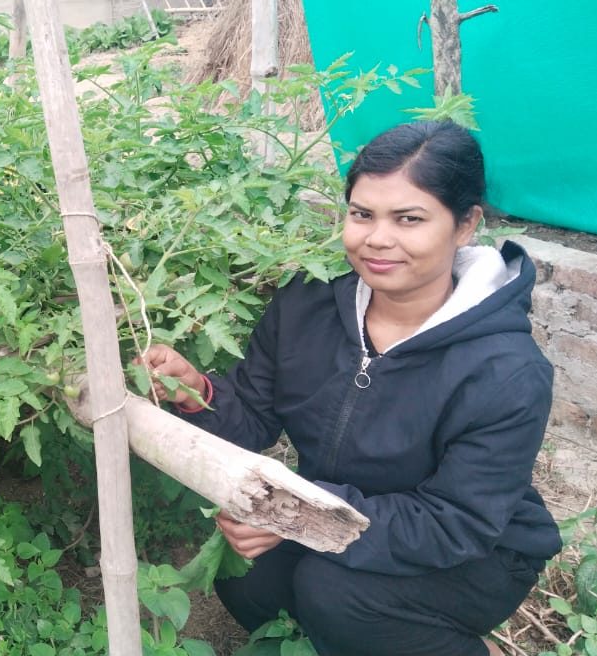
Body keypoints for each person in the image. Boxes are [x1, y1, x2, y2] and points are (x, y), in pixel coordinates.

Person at [138, 120, 561, 656]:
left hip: (475, 552)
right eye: (362, 214)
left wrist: (297, 516)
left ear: (464, 225)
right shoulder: (307, 307)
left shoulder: (505, 369)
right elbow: (253, 415)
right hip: (345, 510)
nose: (377, 239)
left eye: (409, 219)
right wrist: (194, 390)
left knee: (336, 596)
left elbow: (456, 523)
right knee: (245, 575)